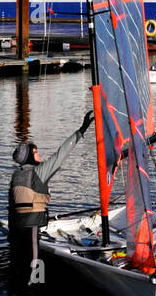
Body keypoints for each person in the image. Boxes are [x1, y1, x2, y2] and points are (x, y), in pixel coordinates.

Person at [8, 110, 94, 275]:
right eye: (35, 152)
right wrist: (81, 131)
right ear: (29, 158)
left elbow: (11, 206)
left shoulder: (16, 175)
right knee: (35, 265)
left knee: (19, 265)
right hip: (31, 226)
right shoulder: (39, 172)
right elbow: (60, 155)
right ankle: (34, 291)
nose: (39, 154)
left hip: (16, 227)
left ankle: (19, 292)